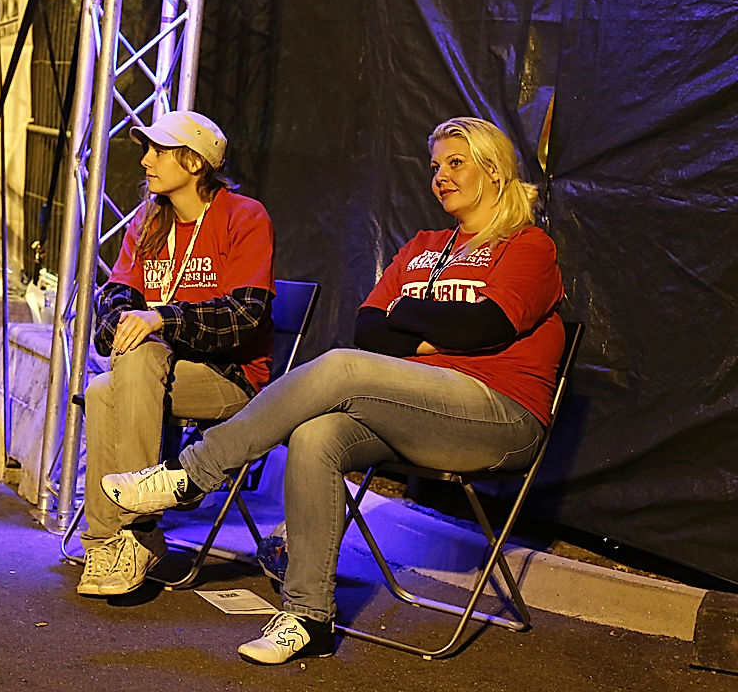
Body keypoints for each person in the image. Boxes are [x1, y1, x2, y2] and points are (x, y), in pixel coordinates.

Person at [102, 116, 565, 664]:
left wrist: (410, 319)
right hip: (416, 411)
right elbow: (370, 327)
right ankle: (308, 617)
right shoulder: (425, 246)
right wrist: (427, 333)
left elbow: (484, 329)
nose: (440, 175)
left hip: (498, 416)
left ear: (493, 170)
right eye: (435, 165)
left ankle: (192, 473)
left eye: (455, 163)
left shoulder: (528, 247)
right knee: (319, 433)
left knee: (344, 367)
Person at [76, 110, 277, 598]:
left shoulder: (243, 216)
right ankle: (109, 541)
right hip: (155, 373)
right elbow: (115, 299)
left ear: (194, 162)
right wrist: (128, 324)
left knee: (136, 360)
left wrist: (163, 319)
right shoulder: (148, 222)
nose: (145, 161)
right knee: (106, 387)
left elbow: (244, 318)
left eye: (157, 151)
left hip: (228, 377)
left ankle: (139, 531)